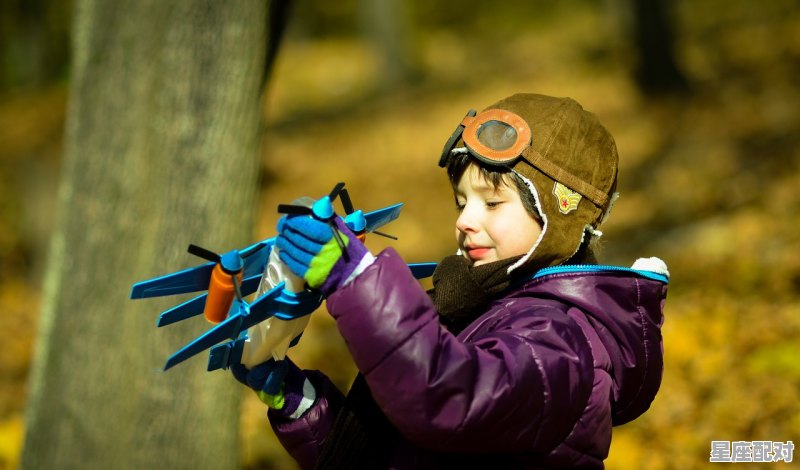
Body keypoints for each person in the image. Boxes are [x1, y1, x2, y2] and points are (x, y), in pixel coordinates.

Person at [232, 93, 669, 469]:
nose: (465, 220)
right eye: (462, 201)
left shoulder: (561, 343)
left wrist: (354, 276)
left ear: (559, 218)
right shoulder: (478, 306)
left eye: (492, 203)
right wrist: (299, 403)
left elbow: (444, 395)